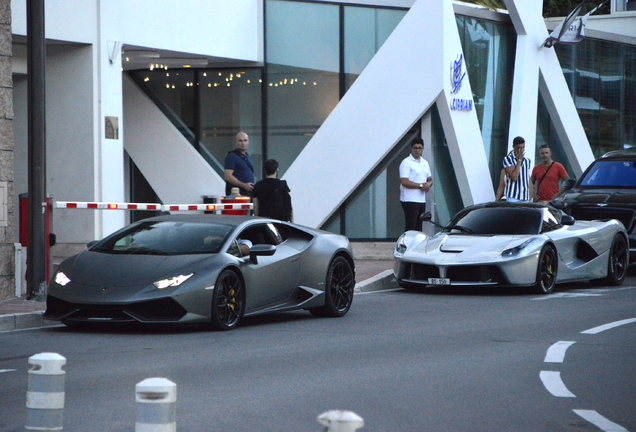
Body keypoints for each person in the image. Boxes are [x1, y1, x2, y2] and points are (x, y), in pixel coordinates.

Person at [399, 138, 432, 231]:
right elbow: (404, 181)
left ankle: (417, 245)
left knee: (419, 227)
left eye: (420, 148)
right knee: (411, 226)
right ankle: (408, 245)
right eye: (415, 148)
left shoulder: (425, 162)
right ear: (411, 149)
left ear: (423, 149)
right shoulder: (406, 162)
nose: (417, 150)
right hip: (409, 199)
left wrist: (428, 184)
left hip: (421, 199)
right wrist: (421, 186)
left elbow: (430, 179)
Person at [502, 136, 533, 202]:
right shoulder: (508, 159)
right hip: (513, 197)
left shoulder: (527, 160)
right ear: (513, 147)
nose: (521, 150)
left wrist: (530, 196)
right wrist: (519, 160)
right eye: (519, 148)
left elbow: (528, 178)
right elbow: (514, 177)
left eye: (523, 147)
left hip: (525, 197)